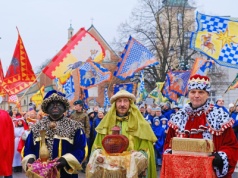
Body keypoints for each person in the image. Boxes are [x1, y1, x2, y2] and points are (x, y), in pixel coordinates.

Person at [163, 74, 238, 177]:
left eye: (201, 92)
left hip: (208, 172)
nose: (196, 95)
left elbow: (231, 145)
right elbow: (168, 143)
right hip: (181, 173)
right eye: (193, 92)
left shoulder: (219, 116)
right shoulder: (178, 117)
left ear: (207, 94)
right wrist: (172, 153)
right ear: (188, 94)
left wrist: (220, 158)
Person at [90, 90, 157, 177]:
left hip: (133, 173)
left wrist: (136, 156)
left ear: (130, 103)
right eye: (119, 101)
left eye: (125, 101)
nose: (122, 104)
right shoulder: (106, 124)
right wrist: (100, 155)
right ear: (115, 104)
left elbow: (147, 151)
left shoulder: (142, 124)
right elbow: (96, 148)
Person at [22, 90, 86, 178]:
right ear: (46, 108)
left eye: (59, 104)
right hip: (41, 174)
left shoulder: (75, 127)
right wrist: (30, 159)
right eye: (52, 104)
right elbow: (28, 148)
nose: (55, 106)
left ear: (64, 107)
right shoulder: (37, 127)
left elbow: (81, 149)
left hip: (65, 174)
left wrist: (65, 160)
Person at [0, 110, 14, 178]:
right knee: (7, 169)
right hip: (6, 145)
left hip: (4, 144)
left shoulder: (4, 114)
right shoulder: (5, 114)